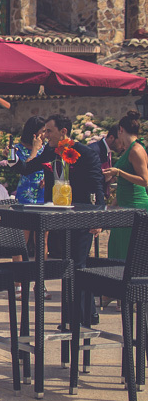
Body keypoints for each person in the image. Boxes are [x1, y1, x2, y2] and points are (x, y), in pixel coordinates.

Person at [11, 113, 106, 326]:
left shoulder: (86, 153)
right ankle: (85, 315)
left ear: (63, 132)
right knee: (69, 265)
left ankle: (75, 321)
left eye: (49, 131)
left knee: (77, 265)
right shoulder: (49, 151)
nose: (45, 134)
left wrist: (98, 216)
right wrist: (28, 150)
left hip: (81, 218)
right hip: (58, 219)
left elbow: (97, 186)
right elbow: (25, 168)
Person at [104, 111, 148, 261]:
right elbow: (125, 184)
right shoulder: (129, 150)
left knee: (129, 254)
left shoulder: (136, 150)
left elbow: (145, 180)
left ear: (121, 130)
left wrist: (119, 172)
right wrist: (114, 205)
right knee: (118, 250)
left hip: (135, 206)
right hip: (125, 207)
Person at [11, 116, 47, 205]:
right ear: (34, 132)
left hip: (43, 194)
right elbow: (25, 169)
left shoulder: (46, 148)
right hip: (25, 195)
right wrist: (35, 149)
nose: (45, 134)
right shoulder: (17, 149)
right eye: (43, 131)